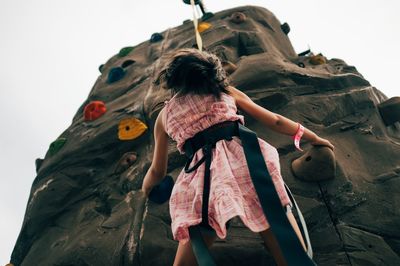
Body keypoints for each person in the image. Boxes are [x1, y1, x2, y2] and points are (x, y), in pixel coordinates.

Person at [140, 48, 334, 266]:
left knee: (198, 233)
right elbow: (276, 121)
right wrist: (313, 136)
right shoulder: (224, 91)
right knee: (276, 222)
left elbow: (158, 170)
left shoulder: (164, 116)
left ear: (172, 79)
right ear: (210, 71)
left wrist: (147, 188)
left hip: (204, 178)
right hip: (248, 162)